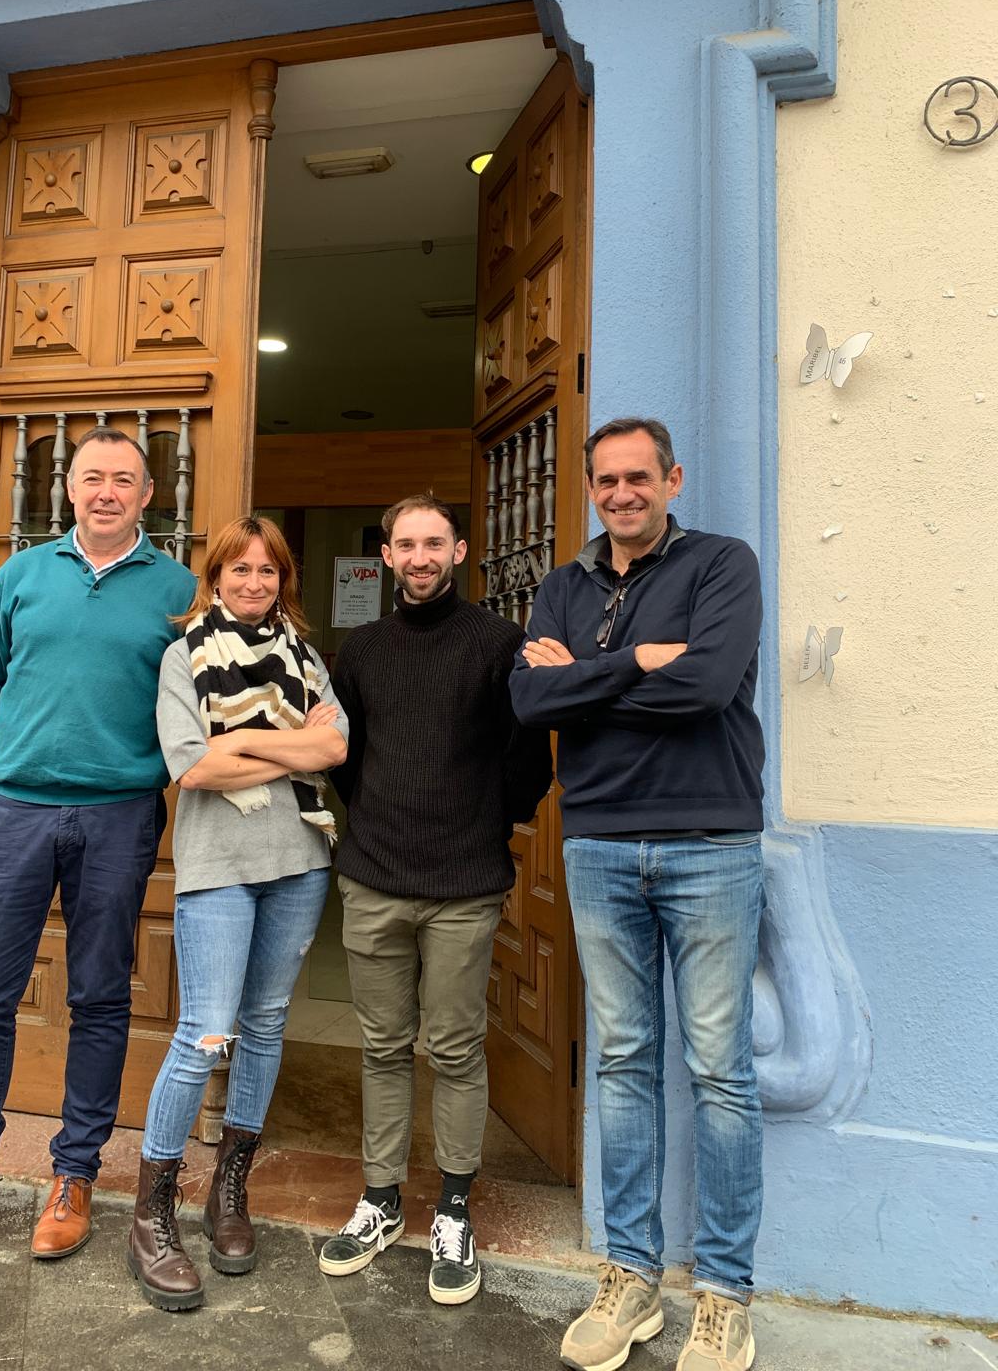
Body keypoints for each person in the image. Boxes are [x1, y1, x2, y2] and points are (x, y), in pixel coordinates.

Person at [0, 427, 197, 1260]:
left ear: (147, 494)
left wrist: (118, 765)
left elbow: (191, 707)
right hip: (14, 812)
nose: (106, 492)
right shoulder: (21, 575)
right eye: (92, 478)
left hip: (120, 817)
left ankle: (74, 1175)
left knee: (100, 996)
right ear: (69, 489)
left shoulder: (178, 590)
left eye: (123, 480)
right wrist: (28, 752)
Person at [509, 417, 766, 1371]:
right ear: (589, 487)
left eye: (639, 477)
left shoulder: (722, 565)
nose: (623, 493)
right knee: (622, 1059)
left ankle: (726, 1294)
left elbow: (707, 689)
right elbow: (529, 702)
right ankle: (631, 1277)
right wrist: (636, 661)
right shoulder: (561, 586)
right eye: (607, 480)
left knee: (720, 1070)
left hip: (710, 842)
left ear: (672, 480)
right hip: (600, 844)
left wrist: (584, 680)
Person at [317, 495, 552, 1306]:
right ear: (386, 555)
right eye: (405, 544)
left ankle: (453, 1208)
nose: (420, 557)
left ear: (458, 551)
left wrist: (486, 826)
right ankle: (381, 1199)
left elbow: (529, 757)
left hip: (462, 887)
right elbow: (342, 754)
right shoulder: (362, 649)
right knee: (382, 1046)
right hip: (374, 879)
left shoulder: (497, 643)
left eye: (434, 543)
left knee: (453, 1048)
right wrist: (376, 818)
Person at [127, 514, 347, 1312]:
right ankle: (150, 1214)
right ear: (215, 576)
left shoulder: (307, 658)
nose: (254, 582)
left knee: (265, 1026)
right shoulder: (183, 657)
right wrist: (287, 742)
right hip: (219, 869)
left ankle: (229, 1189)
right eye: (240, 569)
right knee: (206, 1033)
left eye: (268, 570)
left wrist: (243, 743)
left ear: (283, 579)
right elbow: (192, 768)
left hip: (300, 864)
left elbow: (333, 750)